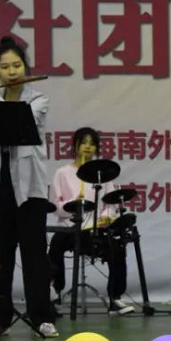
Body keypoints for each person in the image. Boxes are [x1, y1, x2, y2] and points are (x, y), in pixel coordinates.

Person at [0, 36, 58, 338]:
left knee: (34, 256)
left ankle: (41, 316)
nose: (11, 72)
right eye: (4, 67)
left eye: (17, 65)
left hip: (29, 190)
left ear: (25, 66)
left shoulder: (38, 99)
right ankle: (0, 316)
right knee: (0, 257)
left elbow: (14, 123)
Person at [48, 127, 134, 315]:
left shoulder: (103, 175)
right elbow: (55, 204)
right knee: (55, 246)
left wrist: (106, 216)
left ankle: (115, 298)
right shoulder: (62, 173)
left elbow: (110, 203)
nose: (88, 147)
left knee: (117, 247)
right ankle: (55, 293)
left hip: (95, 228)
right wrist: (73, 206)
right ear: (75, 145)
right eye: (84, 142)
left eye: (92, 144)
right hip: (70, 228)